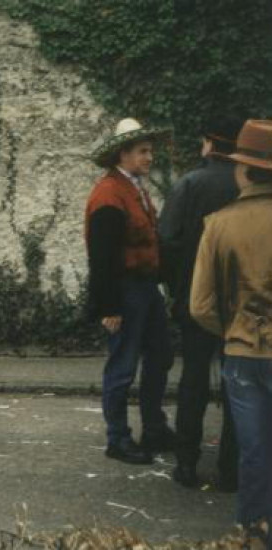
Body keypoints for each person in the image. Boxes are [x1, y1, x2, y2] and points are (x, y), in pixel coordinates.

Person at [191, 119, 272, 549]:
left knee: (253, 448)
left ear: (243, 170)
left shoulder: (219, 224)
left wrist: (231, 331)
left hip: (242, 352)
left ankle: (254, 529)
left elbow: (200, 306)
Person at [84, 118, 175, 465]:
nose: (150, 157)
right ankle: (118, 438)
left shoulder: (134, 188)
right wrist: (109, 307)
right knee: (122, 366)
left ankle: (154, 428)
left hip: (145, 288)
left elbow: (150, 242)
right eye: (143, 151)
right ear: (122, 154)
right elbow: (102, 256)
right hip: (125, 290)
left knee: (160, 356)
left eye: (150, 151)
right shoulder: (108, 195)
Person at [158, 116, 242, 489]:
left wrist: (175, 285)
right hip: (240, 302)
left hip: (196, 298)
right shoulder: (247, 184)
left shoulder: (189, 184)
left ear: (209, 143)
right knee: (235, 384)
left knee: (193, 380)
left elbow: (167, 240)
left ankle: (187, 463)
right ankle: (230, 468)